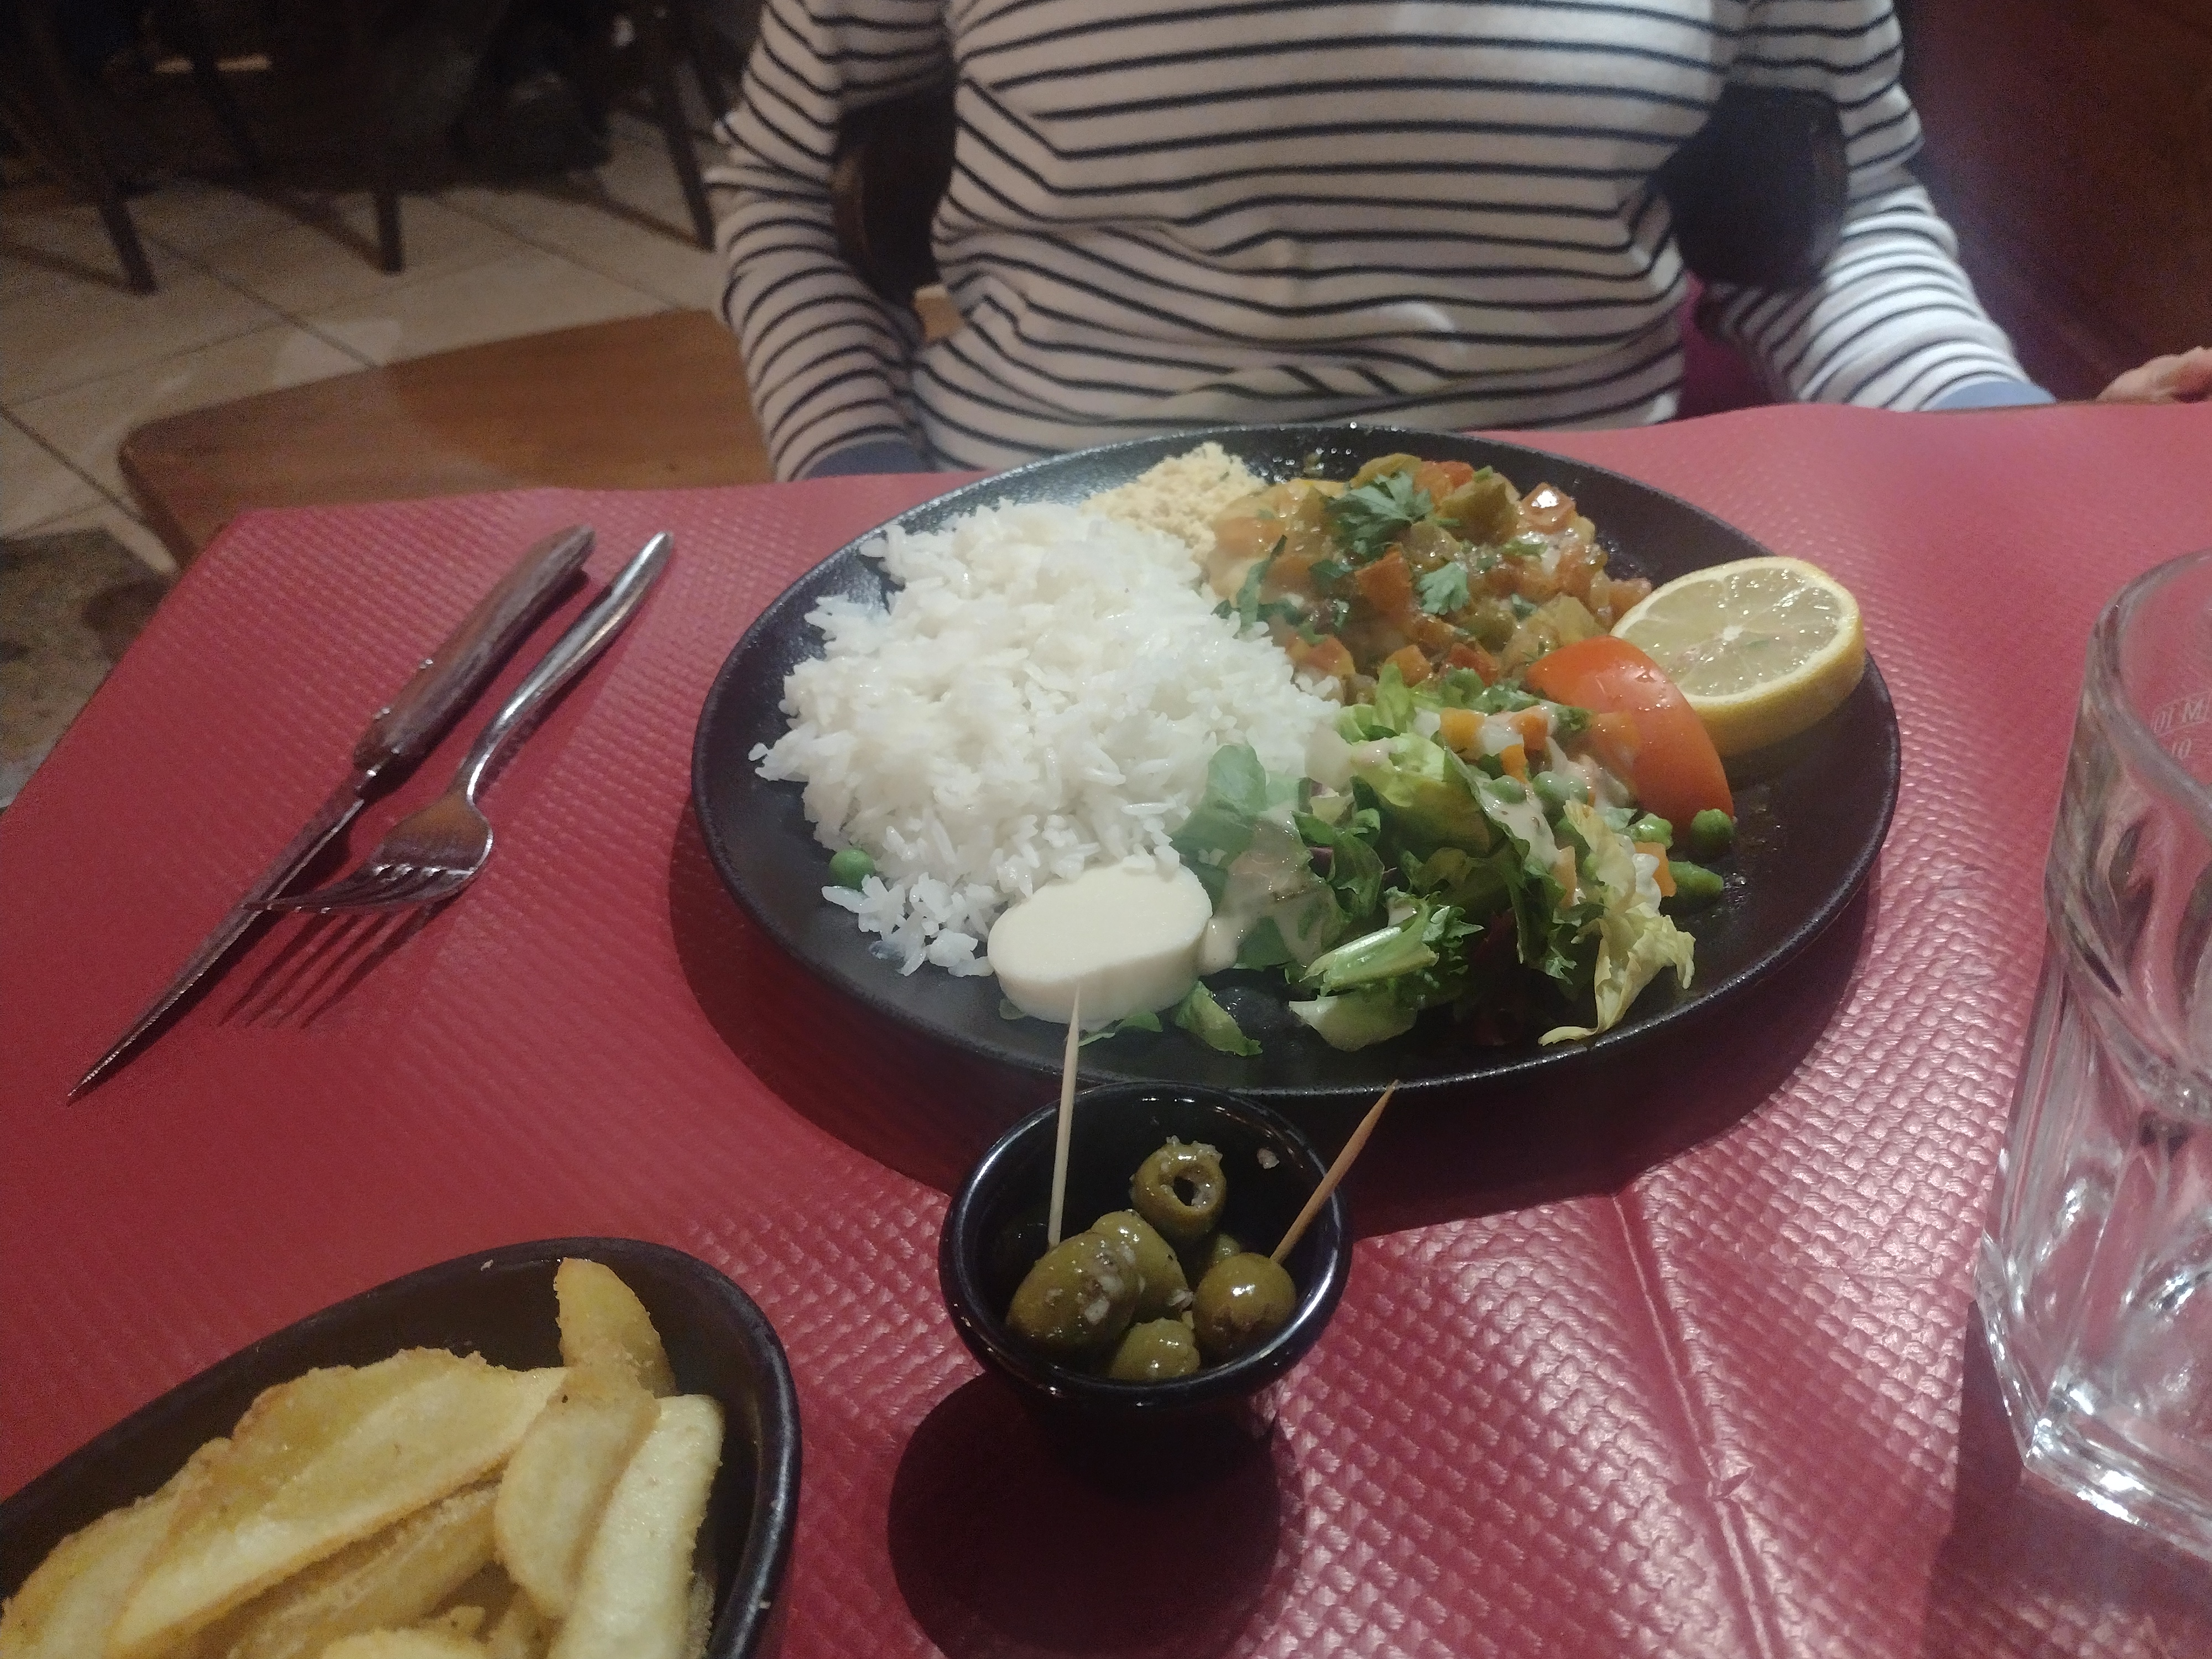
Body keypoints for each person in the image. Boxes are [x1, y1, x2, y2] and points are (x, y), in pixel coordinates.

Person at [714, 0, 2205, 482]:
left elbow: (1835, 227)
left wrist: (2000, 440)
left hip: (1568, 580)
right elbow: (783, 185)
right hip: (1034, 552)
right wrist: (852, 486)